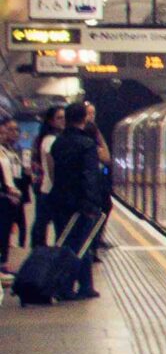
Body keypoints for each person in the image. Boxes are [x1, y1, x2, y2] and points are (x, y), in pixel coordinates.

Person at [49, 103, 108, 300]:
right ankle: (84, 286)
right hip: (81, 204)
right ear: (84, 118)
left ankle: (64, 286)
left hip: (60, 201)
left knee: (65, 243)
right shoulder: (87, 144)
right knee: (82, 245)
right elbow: (89, 177)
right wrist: (92, 204)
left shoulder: (58, 143)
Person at [31, 106, 67, 248]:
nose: (63, 121)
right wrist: (59, 188)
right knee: (55, 226)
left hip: (48, 190)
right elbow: (53, 168)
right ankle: (44, 256)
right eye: (59, 118)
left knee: (42, 224)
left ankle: (40, 254)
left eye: (64, 117)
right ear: (51, 121)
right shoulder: (51, 140)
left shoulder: (50, 139)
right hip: (51, 190)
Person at [0, 124, 25, 270]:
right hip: (4, 196)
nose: (3, 136)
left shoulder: (6, 151)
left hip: (9, 196)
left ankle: (4, 262)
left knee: (5, 230)